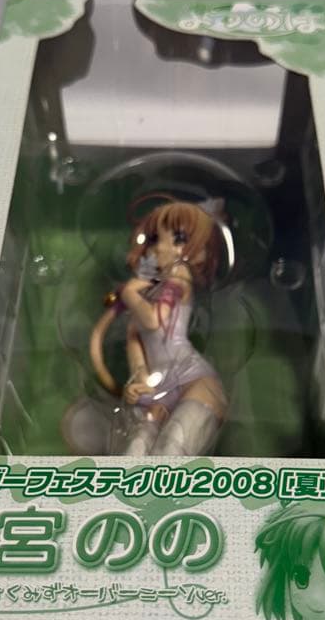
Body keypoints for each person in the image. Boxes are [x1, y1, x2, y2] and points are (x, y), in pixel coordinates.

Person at [89, 195, 228, 456]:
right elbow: (134, 345)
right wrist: (138, 381)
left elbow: (155, 320)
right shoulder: (148, 293)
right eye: (154, 239)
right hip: (157, 389)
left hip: (193, 379)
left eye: (179, 239)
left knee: (173, 445)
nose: (162, 247)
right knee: (135, 449)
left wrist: (129, 293)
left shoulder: (179, 277)